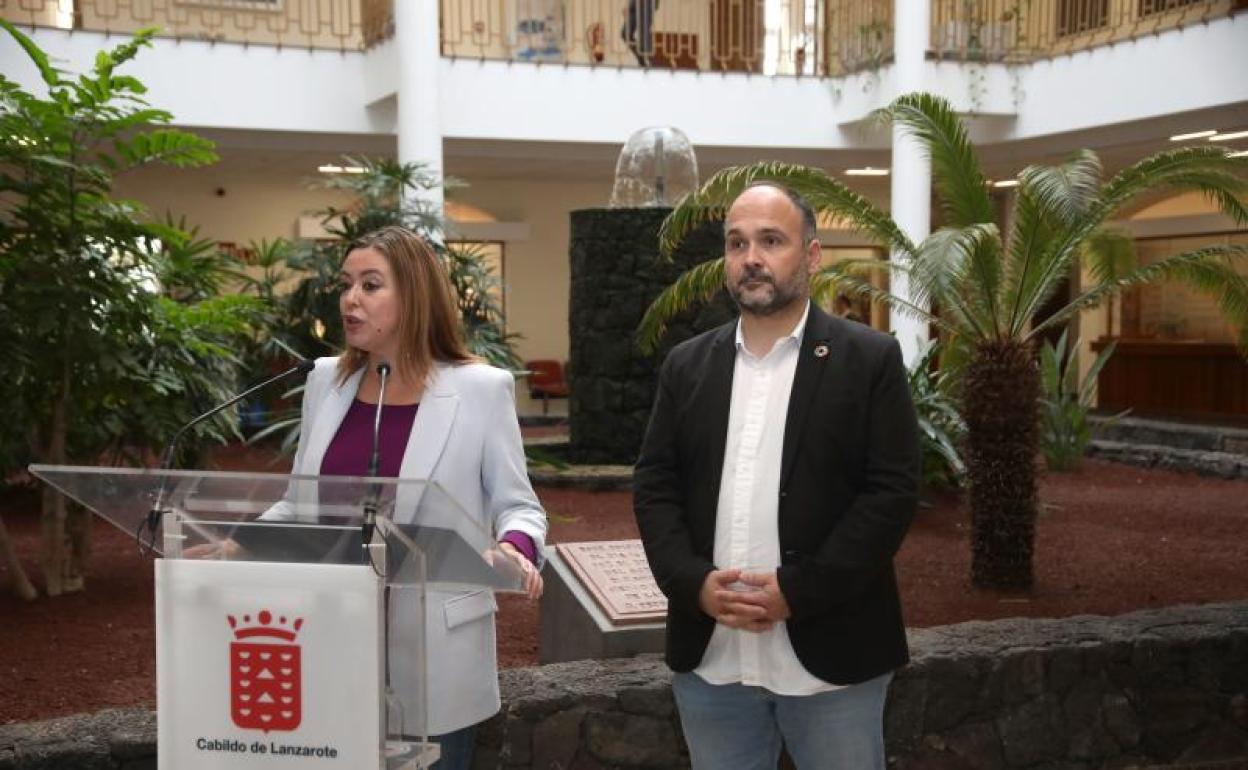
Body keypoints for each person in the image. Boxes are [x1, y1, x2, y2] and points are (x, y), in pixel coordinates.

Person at [202, 225, 546, 769]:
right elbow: (299, 503)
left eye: (370, 285)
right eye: (346, 284)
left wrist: (515, 549)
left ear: (413, 297)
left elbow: (519, 505)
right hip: (331, 636)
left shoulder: (482, 390)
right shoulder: (325, 382)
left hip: (434, 652)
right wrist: (235, 545)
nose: (350, 299)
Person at [633, 182, 920, 769]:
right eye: (736, 244)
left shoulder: (869, 360)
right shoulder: (686, 367)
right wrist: (692, 583)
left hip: (833, 663)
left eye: (771, 240)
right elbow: (655, 485)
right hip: (713, 662)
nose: (751, 258)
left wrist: (799, 591)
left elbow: (889, 495)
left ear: (811, 256)